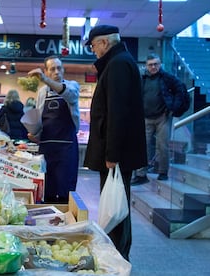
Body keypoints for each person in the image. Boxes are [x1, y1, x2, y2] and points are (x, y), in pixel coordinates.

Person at [83, 25, 147, 261]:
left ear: (104, 43)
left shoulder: (118, 64)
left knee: (117, 207)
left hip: (116, 154)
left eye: (93, 46)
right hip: (117, 151)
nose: (94, 51)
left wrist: (112, 154)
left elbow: (117, 113)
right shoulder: (119, 62)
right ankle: (117, 255)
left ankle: (118, 258)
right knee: (116, 204)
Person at [27, 55, 80, 203]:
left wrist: (45, 79)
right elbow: (39, 117)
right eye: (52, 69)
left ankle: (66, 222)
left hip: (67, 147)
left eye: (59, 68)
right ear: (47, 71)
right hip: (47, 148)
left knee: (65, 191)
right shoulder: (42, 92)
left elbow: (71, 96)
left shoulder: (72, 86)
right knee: (47, 190)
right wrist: (35, 133)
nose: (57, 72)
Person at [131, 53, 185, 185]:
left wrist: (173, 107)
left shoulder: (168, 78)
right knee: (142, 147)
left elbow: (181, 90)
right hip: (145, 117)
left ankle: (163, 172)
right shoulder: (142, 78)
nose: (153, 67)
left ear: (160, 64)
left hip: (163, 117)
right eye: (150, 64)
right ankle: (141, 174)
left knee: (163, 146)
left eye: (156, 64)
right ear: (146, 66)